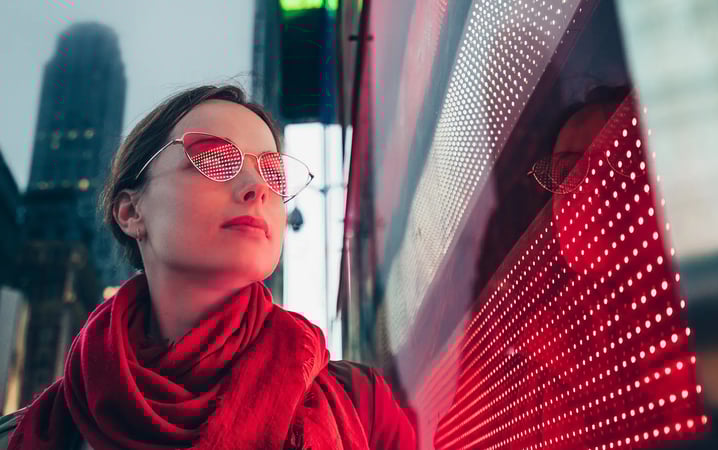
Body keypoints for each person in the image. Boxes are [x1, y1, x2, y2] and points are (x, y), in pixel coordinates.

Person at [0, 84, 417, 450]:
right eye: (214, 159)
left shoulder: (362, 404)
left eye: (273, 172)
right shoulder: (37, 433)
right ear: (130, 211)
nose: (258, 188)